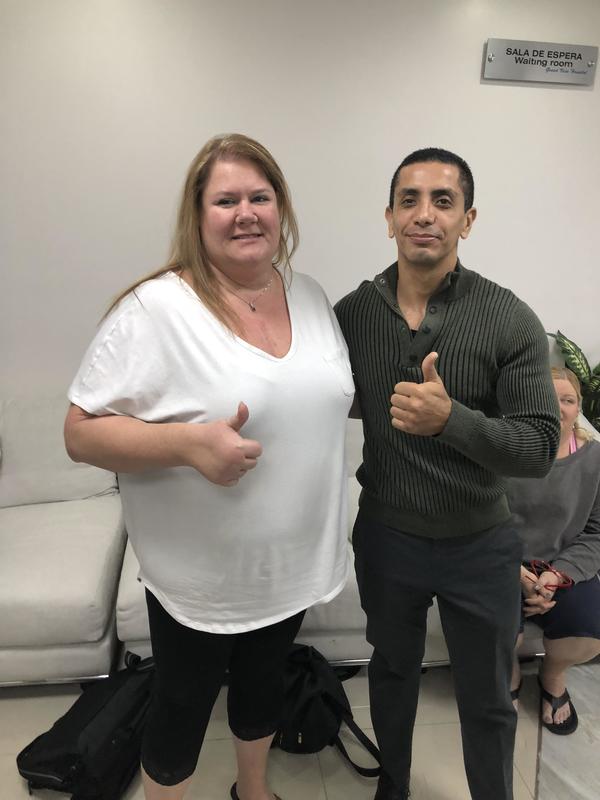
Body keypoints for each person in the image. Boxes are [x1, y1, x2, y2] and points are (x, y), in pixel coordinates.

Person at [64, 133, 354, 800]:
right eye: (225, 200)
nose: (245, 213)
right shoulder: (157, 309)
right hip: (203, 579)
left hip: (292, 563)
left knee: (263, 687)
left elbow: (321, 398)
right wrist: (189, 446)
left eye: (260, 197)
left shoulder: (308, 294)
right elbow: (79, 434)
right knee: (181, 708)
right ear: (197, 217)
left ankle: (252, 790)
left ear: (281, 208)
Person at [334, 147, 560, 800]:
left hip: (479, 545)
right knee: (391, 676)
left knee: (487, 696)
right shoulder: (351, 316)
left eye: (443, 200)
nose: (424, 214)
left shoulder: (508, 316)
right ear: (388, 218)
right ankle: (394, 788)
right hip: (387, 537)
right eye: (409, 200)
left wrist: (450, 420)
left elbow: (539, 448)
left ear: (468, 218)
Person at [508, 366, 600, 735]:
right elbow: (477, 522)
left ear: (578, 408)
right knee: (492, 628)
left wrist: (555, 576)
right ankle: (510, 674)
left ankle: (552, 675)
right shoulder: (501, 451)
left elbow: (596, 533)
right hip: (500, 563)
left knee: (590, 628)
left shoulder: (595, 460)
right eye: (548, 396)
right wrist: (518, 574)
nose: (558, 406)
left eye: (568, 399)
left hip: (563, 565)